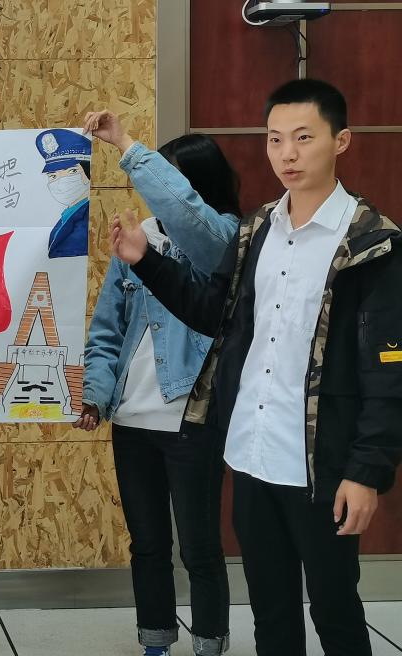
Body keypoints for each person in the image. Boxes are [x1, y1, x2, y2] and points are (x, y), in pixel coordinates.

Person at [110, 79, 402, 656]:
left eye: (303, 138)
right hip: (251, 453)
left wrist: (367, 470)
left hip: (321, 464)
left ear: (341, 141)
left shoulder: (373, 244)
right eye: (275, 139)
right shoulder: (257, 230)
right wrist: (146, 262)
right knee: (270, 614)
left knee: (336, 612)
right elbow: (212, 312)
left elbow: (388, 370)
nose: (287, 154)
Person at [77, 113, 240, 656]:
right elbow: (107, 330)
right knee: (147, 545)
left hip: (191, 420)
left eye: (170, 181)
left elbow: (189, 218)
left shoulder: (225, 239)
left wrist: (125, 143)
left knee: (199, 547)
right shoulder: (138, 238)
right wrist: (96, 395)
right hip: (132, 422)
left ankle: (210, 642)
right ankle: (155, 642)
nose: (157, 195)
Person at [36, 128, 91, 258]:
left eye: (72, 171)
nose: (60, 182)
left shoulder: (87, 221)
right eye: (53, 176)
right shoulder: (67, 216)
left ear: (88, 174)